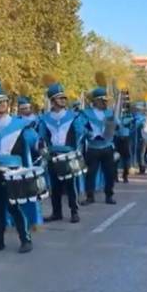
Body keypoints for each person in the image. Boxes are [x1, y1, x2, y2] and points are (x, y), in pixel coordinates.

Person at [0, 76, 41, 254]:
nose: (2, 104)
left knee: (15, 206)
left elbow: (34, 141)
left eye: (4, 100)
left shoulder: (20, 124)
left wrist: (36, 141)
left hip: (14, 172)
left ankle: (25, 239)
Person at [39, 80, 86, 223]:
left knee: (71, 186)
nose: (63, 100)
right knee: (55, 186)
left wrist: (76, 150)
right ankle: (56, 212)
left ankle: (74, 211)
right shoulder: (45, 118)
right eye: (60, 98)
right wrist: (43, 149)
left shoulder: (73, 116)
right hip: (53, 155)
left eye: (64, 98)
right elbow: (42, 137)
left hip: (68, 154)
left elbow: (79, 134)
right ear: (53, 101)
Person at [82, 77, 117, 205]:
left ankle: (109, 195)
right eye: (102, 100)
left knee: (109, 172)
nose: (105, 103)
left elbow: (116, 127)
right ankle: (90, 196)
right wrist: (89, 134)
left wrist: (113, 126)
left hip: (107, 146)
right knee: (91, 173)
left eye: (105, 100)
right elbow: (82, 127)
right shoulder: (86, 113)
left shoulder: (109, 113)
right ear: (96, 101)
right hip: (93, 147)